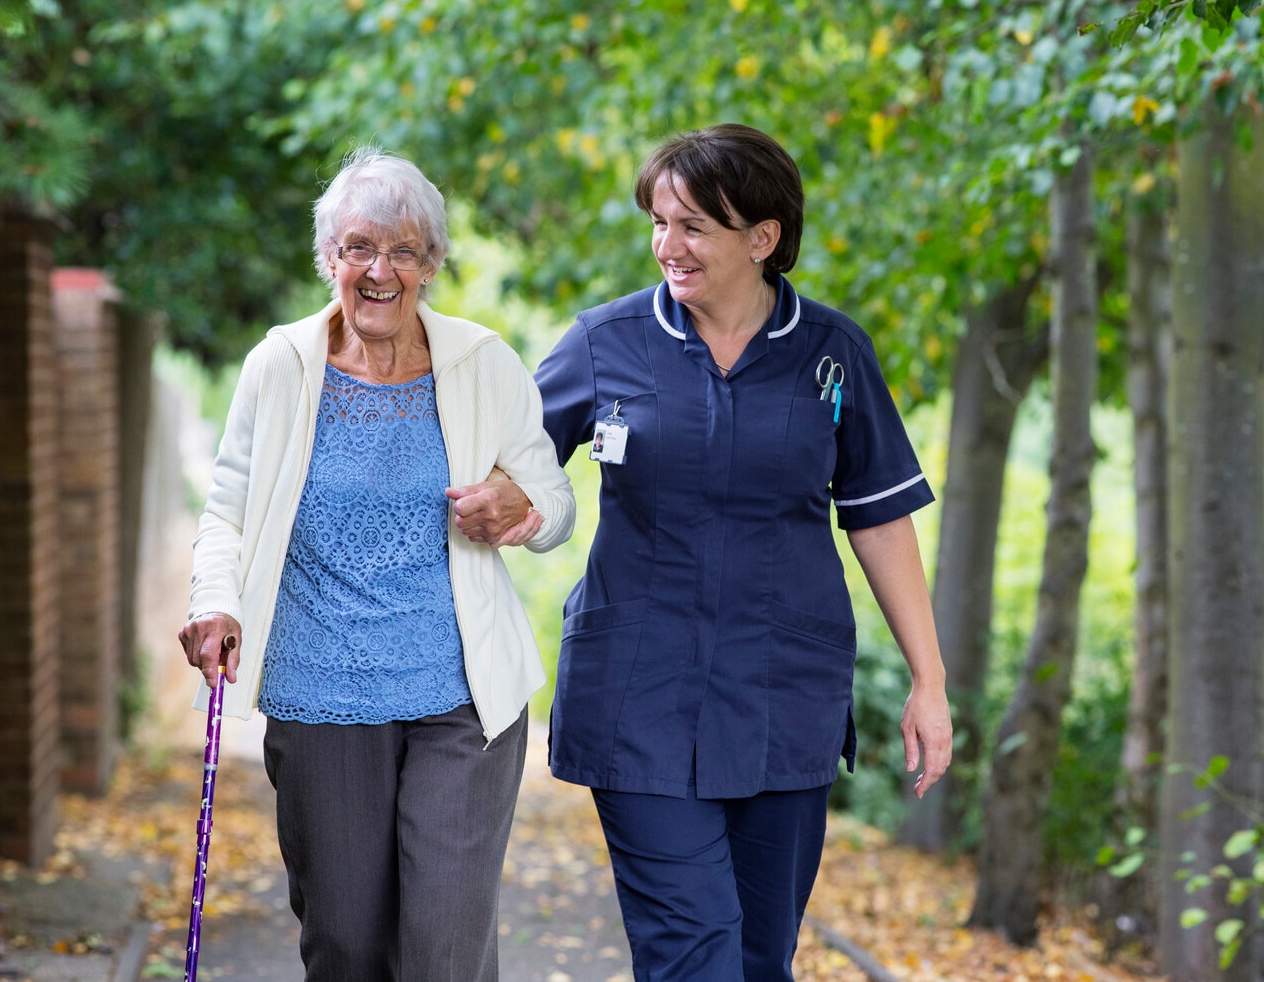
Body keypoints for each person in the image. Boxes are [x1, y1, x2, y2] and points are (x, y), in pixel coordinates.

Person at [478, 124, 952, 981]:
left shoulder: (831, 357)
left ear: (762, 239)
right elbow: (510, 467)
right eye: (659, 222)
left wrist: (930, 680)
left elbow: (878, 516)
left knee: (760, 958)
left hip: (786, 696)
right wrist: (506, 498)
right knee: (692, 953)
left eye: (693, 225)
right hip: (638, 698)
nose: (668, 245)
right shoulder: (604, 342)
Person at [177, 147, 574, 982]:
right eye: (359, 247)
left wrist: (522, 510)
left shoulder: (482, 364)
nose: (379, 269)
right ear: (331, 260)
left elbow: (554, 502)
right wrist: (219, 603)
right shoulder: (280, 368)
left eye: (403, 251)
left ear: (431, 264)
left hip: (461, 697)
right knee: (348, 946)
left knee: (443, 950)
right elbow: (227, 512)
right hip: (320, 692)